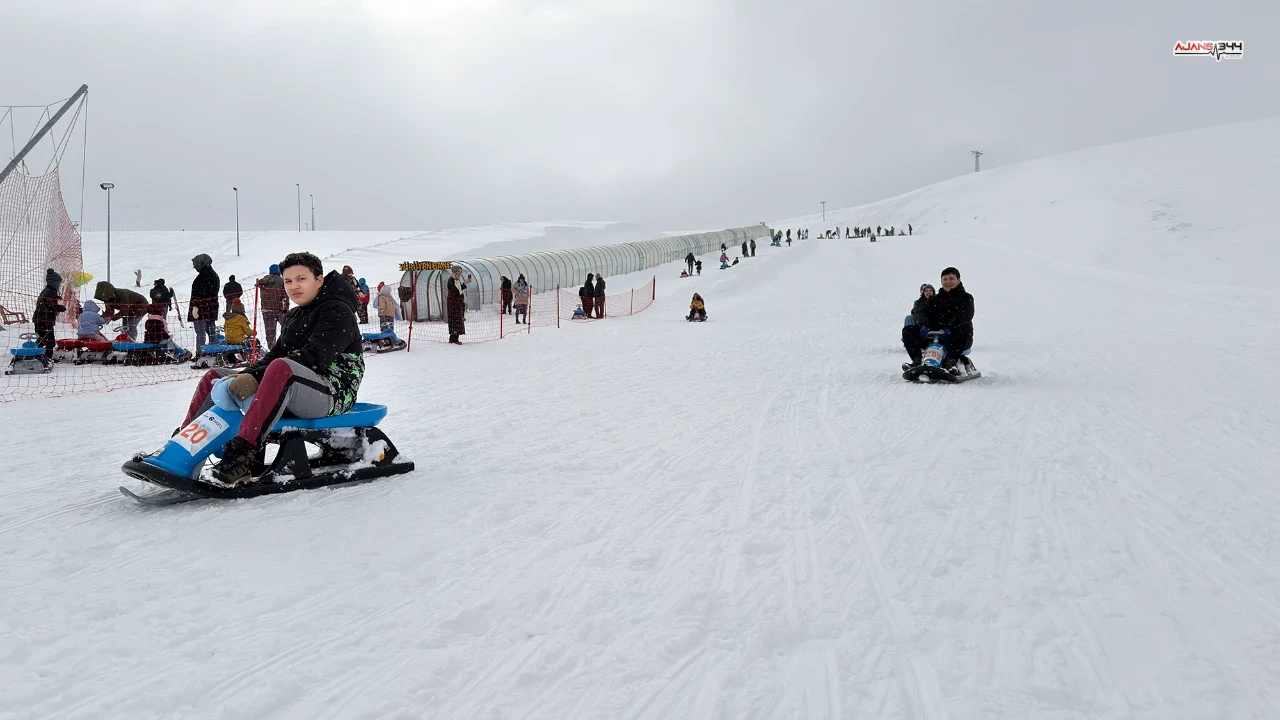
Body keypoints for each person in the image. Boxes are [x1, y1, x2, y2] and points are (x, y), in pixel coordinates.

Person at [178, 251, 365, 486]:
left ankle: (242, 459)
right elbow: (277, 353)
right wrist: (249, 374)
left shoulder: (338, 311)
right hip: (296, 385)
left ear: (319, 280)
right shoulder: (294, 315)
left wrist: (256, 377)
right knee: (214, 376)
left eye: (301, 278)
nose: (294, 286)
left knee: (280, 368)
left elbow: (313, 358)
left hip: (333, 393)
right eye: (288, 281)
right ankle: (181, 450)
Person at [907, 267, 974, 368]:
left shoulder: (966, 298)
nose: (948, 282)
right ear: (941, 281)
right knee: (908, 330)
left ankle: (950, 361)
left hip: (954, 339)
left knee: (965, 327)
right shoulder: (934, 299)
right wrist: (925, 325)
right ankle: (917, 360)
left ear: (958, 280)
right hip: (932, 336)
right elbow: (921, 313)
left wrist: (950, 328)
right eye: (945, 279)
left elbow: (964, 316)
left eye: (951, 279)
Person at [189, 254, 220, 353]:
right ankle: (213, 351)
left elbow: (198, 294)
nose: (194, 267)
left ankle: (200, 353)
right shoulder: (214, 275)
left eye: (195, 264)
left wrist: (195, 307)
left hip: (200, 309)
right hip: (211, 308)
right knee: (211, 331)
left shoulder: (202, 277)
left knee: (200, 332)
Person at [33, 269, 66, 358]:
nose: (59, 285)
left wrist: (56, 298)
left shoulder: (47, 290)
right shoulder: (50, 292)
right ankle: (46, 357)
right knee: (49, 341)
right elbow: (49, 306)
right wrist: (60, 308)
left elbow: (46, 303)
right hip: (45, 319)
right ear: (53, 282)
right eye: (58, 283)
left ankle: (38, 354)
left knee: (42, 339)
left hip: (40, 318)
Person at [901, 284, 935, 366]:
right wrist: (923, 324)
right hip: (922, 327)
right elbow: (917, 315)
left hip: (934, 328)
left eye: (930, 291)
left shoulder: (937, 302)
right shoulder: (919, 303)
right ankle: (916, 359)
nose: (928, 292)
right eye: (926, 291)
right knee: (908, 326)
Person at [256, 264, 288, 348]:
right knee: (288, 327)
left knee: (270, 332)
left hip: (266, 310)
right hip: (278, 309)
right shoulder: (281, 281)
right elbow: (285, 296)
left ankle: (272, 350)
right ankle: (287, 345)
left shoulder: (263, 281)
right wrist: (285, 308)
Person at [446, 265, 471, 344]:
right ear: (454, 272)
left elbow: (459, 289)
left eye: (460, 271)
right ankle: (453, 339)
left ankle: (455, 338)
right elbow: (455, 290)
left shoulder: (457, 280)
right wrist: (464, 283)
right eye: (458, 271)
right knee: (454, 320)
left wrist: (465, 283)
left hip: (457, 303)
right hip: (453, 304)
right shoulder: (451, 280)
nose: (460, 273)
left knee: (458, 320)